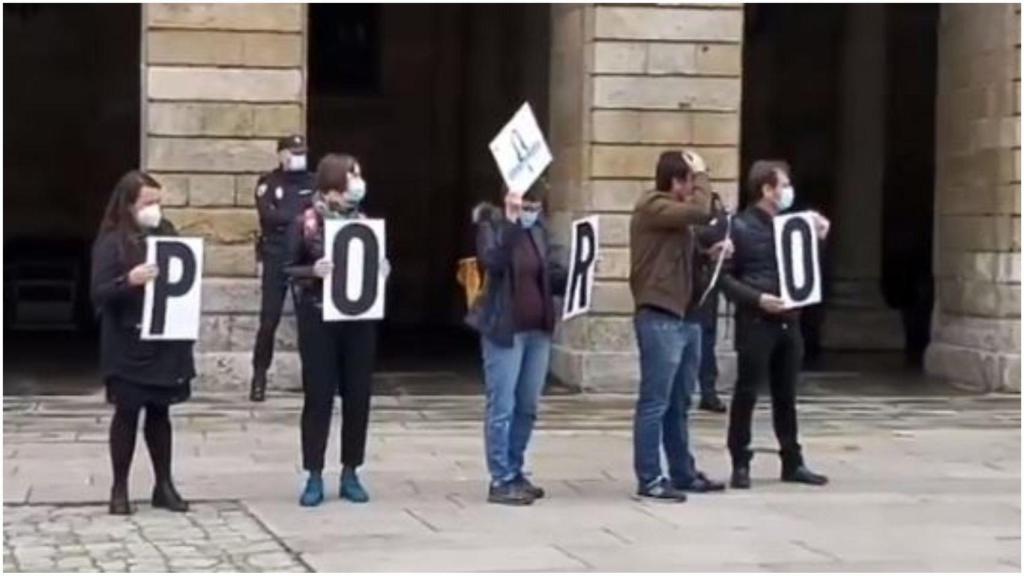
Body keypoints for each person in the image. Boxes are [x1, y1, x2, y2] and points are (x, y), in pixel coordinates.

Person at [720, 160, 830, 489]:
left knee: (787, 393)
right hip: (757, 320)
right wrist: (757, 299)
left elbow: (805, 271)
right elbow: (723, 279)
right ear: (766, 190)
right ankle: (740, 461)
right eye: (783, 186)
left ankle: (792, 460)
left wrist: (819, 238)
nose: (787, 192)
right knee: (747, 391)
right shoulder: (739, 227)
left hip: (788, 319)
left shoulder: (789, 226)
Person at [91, 170, 194, 515]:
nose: (155, 209)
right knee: (127, 414)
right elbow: (100, 292)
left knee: (160, 414)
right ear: (130, 204)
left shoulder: (166, 234)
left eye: (158, 202)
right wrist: (129, 280)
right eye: (148, 203)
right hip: (127, 341)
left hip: (162, 341)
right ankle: (119, 487)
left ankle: (163, 484)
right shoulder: (112, 241)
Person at [629, 150, 729, 501]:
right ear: (676, 182)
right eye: (689, 181)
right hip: (658, 315)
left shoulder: (675, 222)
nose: (694, 187)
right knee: (655, 402)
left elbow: (677, 256)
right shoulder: (653, 205)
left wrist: (708, 255)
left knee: (680, 402)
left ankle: (682, 471)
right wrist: (703, 174)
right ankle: (650, 477)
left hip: (685, 317)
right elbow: (701, 211)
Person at [285, 153, 381, 507]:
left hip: (358, 322)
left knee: (358, 397)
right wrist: (313, 272)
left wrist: (380, 267)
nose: (356, 184)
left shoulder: (364, 222)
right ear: (330, 189)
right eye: (350, 178)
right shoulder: (306, 223)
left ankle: (351, 470)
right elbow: (287, 267)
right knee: (319, 397)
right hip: (318, 320)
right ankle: (313, 473)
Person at [469, 183, 567, 506]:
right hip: (504, 327)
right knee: (502, 404)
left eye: (535, 205)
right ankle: (500, 476)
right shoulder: (492, 225)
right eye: (526, 204)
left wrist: (579, 272)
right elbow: (492, 264)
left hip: (537, 328)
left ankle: (515, 467)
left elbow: (550, 274)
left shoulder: (539, 229)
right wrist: (511, 223)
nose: (531, 211)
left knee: (527, 405)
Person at [250, 134, 315, 402]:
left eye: (301, 151)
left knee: (309, 322)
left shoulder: (313, 182)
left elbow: (318, 215)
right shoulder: (268, 183)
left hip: (304, 257)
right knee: (269, 320)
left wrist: (294, 220)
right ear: (281, 155)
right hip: (276, 257)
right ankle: (259, 377)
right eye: (292, 151)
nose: (297, 156)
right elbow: (269, 215)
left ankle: (313, 378)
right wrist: (301, 217)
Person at [689, 192, 731, 413]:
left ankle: (708, 391)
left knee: (706, 340)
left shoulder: (713, 206)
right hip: (685, 288)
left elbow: (719, 231)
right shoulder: (677, 208)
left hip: (705, 286)